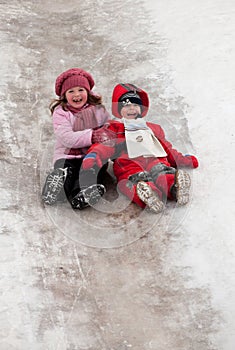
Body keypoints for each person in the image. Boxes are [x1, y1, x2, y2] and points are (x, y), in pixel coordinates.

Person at [81, 83, 199, 213]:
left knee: (163, 172)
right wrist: (94, 155)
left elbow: (166, 147)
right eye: (126, 105)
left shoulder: (152, 127)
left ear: (141, 109)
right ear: (119, 110)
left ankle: (175, 188)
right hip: (128, 162)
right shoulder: (116, 128)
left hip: (155, 158)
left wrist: (181, 159)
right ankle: (146, 194)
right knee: (133, 178)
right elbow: (105, 145)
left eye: (135, 105)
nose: (132, 108)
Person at [41, 68, 115, 209]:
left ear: (87, 92)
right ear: (64, 95)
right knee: (66, 170)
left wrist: (106, 137)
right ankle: (56, 188)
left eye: (80, 90)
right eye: (71, 91)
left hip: (91, 155)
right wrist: (92, 136)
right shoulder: (61, 113)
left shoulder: (97, 110)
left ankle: (83, 193)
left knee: (91, 171)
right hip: (67, 155)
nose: (76, 95)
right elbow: (67, 137)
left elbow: (108, 128)